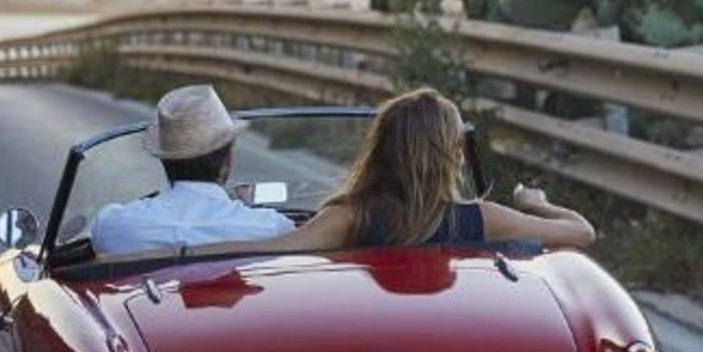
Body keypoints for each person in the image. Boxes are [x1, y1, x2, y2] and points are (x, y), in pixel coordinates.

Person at [254, 87, 594, 252]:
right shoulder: (483, 218)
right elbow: (581, 233)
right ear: (452, 154)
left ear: (380, 150)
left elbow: (267, 251)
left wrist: (198, 252)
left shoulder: (349, 217)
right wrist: (536, 204)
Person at [91, 84, 295, 255]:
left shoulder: (111, 226)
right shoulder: (271, 228)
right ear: (227, 161)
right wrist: (246, 210)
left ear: (164, 160)